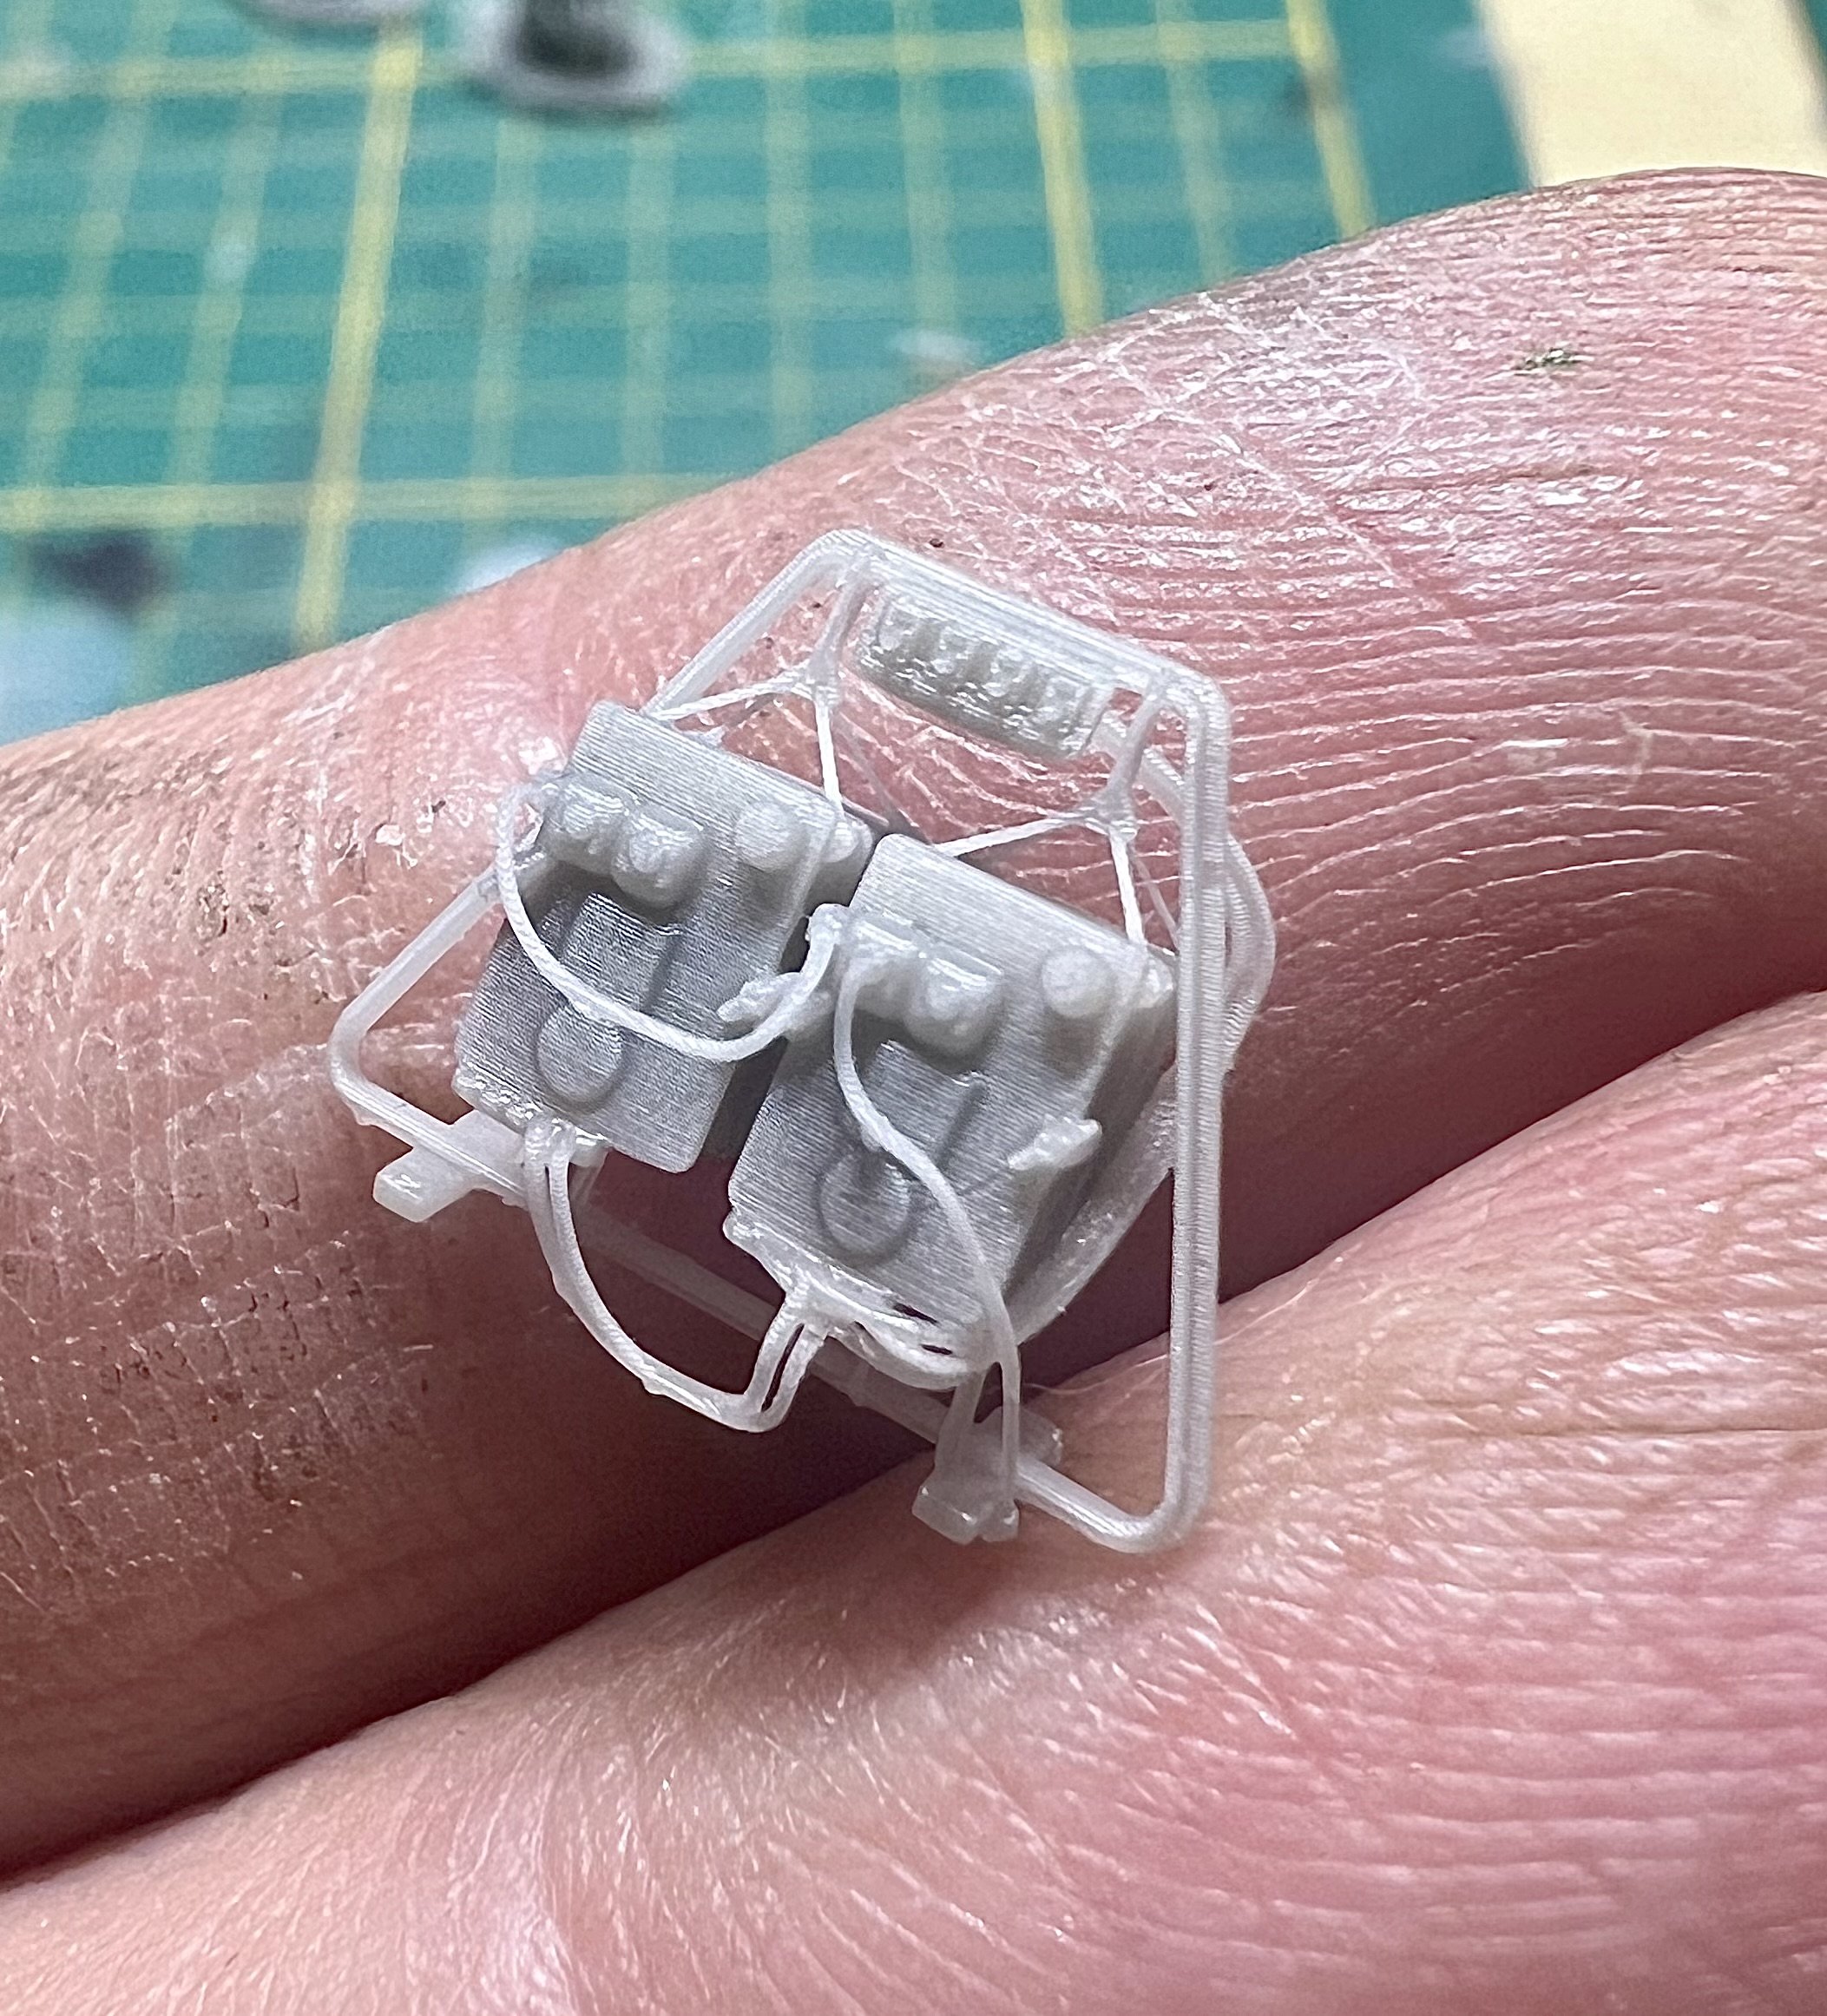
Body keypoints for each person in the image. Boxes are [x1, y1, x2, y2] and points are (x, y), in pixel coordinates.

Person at [0, 167, 1822, 2013]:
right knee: (722, 947)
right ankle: (616, 1124)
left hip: (941, 1161)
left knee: (890, 1039)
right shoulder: (760, 818)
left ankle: (733, 1170)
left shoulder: (1065, 960)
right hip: (787, 1088)